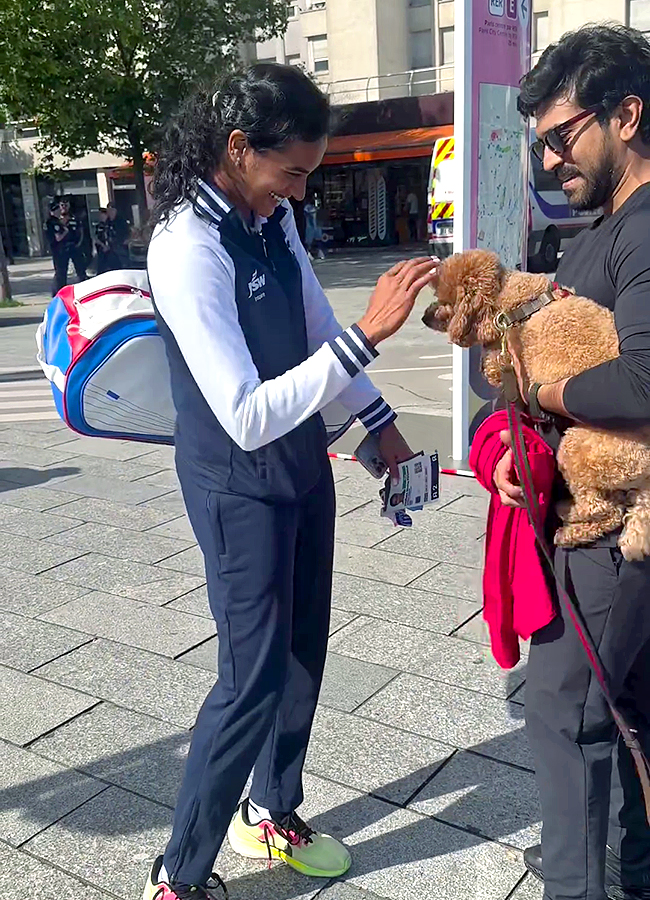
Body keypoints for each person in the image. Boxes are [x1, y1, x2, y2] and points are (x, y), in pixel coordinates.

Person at [143, 63, 437, 900]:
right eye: (295, 171)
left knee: (303, 652)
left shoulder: (269, 220)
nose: (303, 191)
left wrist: (382, 429)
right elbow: (241, 412)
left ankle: (271, 809)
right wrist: (369, 336)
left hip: (303, 467)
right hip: (237, 484)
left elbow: (312, 329)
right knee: (249, 678)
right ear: (238, 149)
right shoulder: (185, 243)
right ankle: (180, 871)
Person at [495, 24, 650, 900]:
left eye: (563, 135)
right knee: (625, 710)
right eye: (543, 143)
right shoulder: (609, 225)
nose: (552, 160)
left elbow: (642, 376)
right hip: (601, 510)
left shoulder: (644, 228)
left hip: (614, 532)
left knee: (564, 715)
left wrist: (541, 394)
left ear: (627, 114)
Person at [106, 202, 130, 267]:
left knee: (123, 264)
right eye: (108, 210)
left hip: (120, 246)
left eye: (112, 210)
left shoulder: (121, 220)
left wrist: (125, 240)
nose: (110, 212)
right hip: (111, 247)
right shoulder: (107, 221)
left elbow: (127, 232)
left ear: (115, 211)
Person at [94, 208, 112, 274]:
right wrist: (103, 246)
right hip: (102, 248)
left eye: (102, 215)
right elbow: (96, 238)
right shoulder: (99, 225)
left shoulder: (110, 224)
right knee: (101, 267)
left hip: (111, 248)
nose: (100, 216)